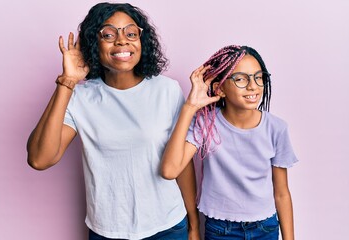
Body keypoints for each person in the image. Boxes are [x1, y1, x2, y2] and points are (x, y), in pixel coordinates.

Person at [27, 2, 200, 240]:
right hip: (107, 232)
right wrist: (67, 81)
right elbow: (39, 159)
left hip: (168, 227)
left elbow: (181, 162)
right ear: (93, 43)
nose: (121, 41)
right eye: (108, 34)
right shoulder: (80, 97)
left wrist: (193, 223)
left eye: (131, 33)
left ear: (142, 41)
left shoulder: (167, 90)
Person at [161, 45, 298, 239]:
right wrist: (190, 106)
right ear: (220, 88)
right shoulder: (205, 123)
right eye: (241, 79)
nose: (253, 86)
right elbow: (169, 170)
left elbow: (282, 193)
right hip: (220, 230)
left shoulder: (277, 128)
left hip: (266, 228)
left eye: (259, 77)